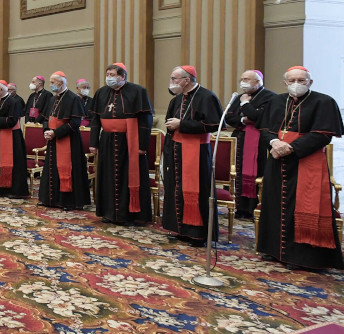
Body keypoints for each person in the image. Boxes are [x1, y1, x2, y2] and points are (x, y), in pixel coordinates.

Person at [257, 66, 343, 269]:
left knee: (302, 204)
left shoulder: (324, 102)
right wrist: (274, 143)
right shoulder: (276, 101)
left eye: (301, 80)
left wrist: (292, 148)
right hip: (277, 159)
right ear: (284, 83)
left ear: (310, 82)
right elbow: (265, 130)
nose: (297, 84)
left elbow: (323, 134)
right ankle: (273, 249)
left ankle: (302, 257)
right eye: (292, 80)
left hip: (306, 160)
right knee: (274, 203)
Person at [161, 65, 222, 246]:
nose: (172, 83)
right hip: (176, 149)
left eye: (174, 79)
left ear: (186, 80)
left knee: (197, 190)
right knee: (176, 188)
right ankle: (180, 228)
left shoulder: (207, 96)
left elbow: (214, 125)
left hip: (196, 151)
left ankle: (197, 233)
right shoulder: (177, 99)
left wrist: (182, 124)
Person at [90, 63, 155, 225]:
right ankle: (109, 212)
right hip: (107, 141)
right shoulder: (101, 93)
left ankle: (129, 215)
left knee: (128, 176)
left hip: (129, 141)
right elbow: (95, 120)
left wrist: (142, 145)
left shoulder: (138, 91)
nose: (109, 78)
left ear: (122, 76)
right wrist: (93, 143)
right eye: (108, 74)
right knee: (107, 177)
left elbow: (146, 120)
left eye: (112, 74)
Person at [225, 70, 277, 219]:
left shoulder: (270, 97)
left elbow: (257, 116)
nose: (243, 82)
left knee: (258, 172)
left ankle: (256, 207)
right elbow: (229, 117)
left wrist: (245, 104)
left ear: (258, 81)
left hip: (260, 141)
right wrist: (242, 120)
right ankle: (240, 207)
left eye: (247, 79)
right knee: (237, 172)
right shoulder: (239, 96)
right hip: (240, 138)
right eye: (242, 78)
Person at [38, 72, 90, 209]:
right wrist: (46, 131)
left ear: (61, 83)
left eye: (53, 82)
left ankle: (68, 201)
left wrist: (56, 133)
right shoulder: (52, 99)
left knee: (68, 169)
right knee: (52, 169)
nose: (51, 85)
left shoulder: (73, 98)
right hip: (53, 140)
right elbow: (46, 119)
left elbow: (75, 123)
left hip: (68, 140)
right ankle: (50, 199)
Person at [0, 80, 29, 196]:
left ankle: (14, 191)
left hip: (12, 138)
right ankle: (0, 189)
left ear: (1, 89)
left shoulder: (13, 102)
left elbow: (12, 120)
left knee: (14, 164)